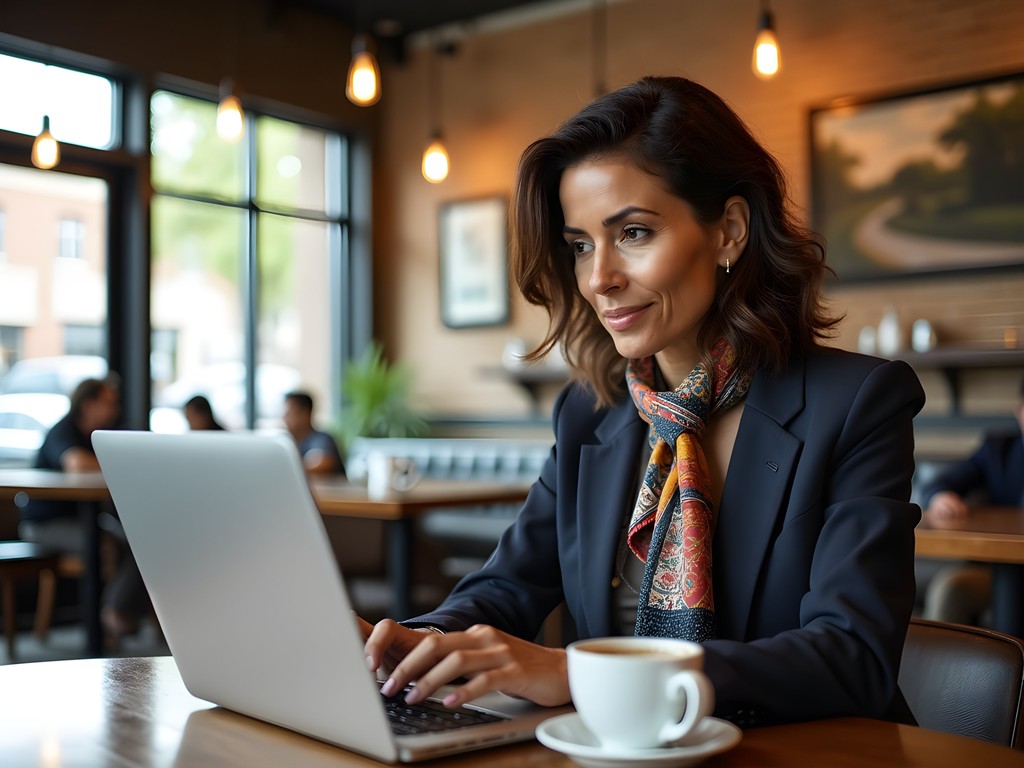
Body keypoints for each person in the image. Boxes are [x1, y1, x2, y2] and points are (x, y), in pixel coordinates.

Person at [361, 76, 926, 728]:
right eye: (579, 245)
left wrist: (578, 672)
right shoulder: (591, 414)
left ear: (730, 232)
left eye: (632, 232)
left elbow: (852, 658)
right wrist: (411, 642)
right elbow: (508, 586)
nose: (599, 278)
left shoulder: (857, 403)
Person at [18, 375, 151, 642]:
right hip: (44, 525)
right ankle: (106, 622)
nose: (116, 408)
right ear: (88, 404)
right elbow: (76, 463)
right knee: (104, 545)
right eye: (109, 402)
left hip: (82, 520)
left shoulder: (102, 434)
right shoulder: (63, 430)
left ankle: (115, 610)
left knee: (139, 540)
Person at [919, 376, 1024, 632]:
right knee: (952, 589)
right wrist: (940, 495)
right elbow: (942, 481)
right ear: (1019, 410)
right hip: (998, 573)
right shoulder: (998, 449)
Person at [282, 390, 345, 476]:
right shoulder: (291, 443)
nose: (284, 418)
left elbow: (323, 463)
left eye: (289, 413)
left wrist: (286, 470)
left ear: (305, 414)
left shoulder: (321, 439)